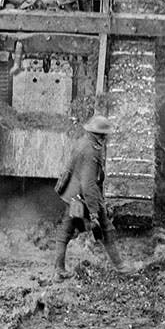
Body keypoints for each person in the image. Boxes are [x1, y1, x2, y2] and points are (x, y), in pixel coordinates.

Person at [53, 115, 128, 279]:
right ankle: (120, 266)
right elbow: (88, 184)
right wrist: (94, 211)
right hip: (83, 198)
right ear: (99, 135)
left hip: (73, 196)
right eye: (105, 134)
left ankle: (59, 269)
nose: (107, 137)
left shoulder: (83, 142)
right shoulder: (91, 151)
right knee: (106, 229)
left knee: (65, 232)